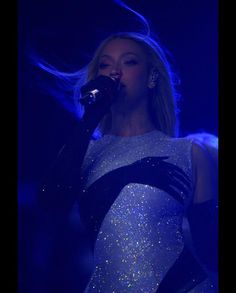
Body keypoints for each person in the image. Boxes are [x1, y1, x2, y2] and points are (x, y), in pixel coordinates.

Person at [35, 31, 218, 292]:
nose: (115, 73)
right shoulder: (83, 152)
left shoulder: (189, 152)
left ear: (152, 77)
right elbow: (49, 204)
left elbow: (211, 252)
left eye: (129, 62)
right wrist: (90, 118)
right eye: (105, 65)